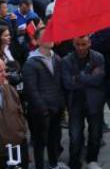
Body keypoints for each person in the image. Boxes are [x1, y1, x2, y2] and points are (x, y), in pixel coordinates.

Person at [21, 27, 67, 169]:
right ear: (37, 41)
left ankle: (54, 164)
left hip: (56, 108)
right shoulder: (31, 63)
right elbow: (31, 89)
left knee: (54, 139)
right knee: (40, 143)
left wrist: (61, 104)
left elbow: (60, 84)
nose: (51, 38)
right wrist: (42, 108)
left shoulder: (56, 58)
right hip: (41, 111)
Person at [61, 36, 106, 169]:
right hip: (75, 102)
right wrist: (88, 75)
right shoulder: (66, 60)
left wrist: (78, 77)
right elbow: (68, 84)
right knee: (75, 135)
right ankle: (74, 162)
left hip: (94, 102)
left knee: (95, 133)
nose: (81, 47)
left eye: (84, 44)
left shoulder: (98, 57)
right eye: (78, 44)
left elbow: (98, 80)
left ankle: (92, 160)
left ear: (89, 43)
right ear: (73, 44)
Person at [0, 59, 28, 169]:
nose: (5, 74)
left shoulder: (10, 89)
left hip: (17, 148)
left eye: (4, 70)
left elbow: (20, 116)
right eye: (0, 71)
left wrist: (22, 138)